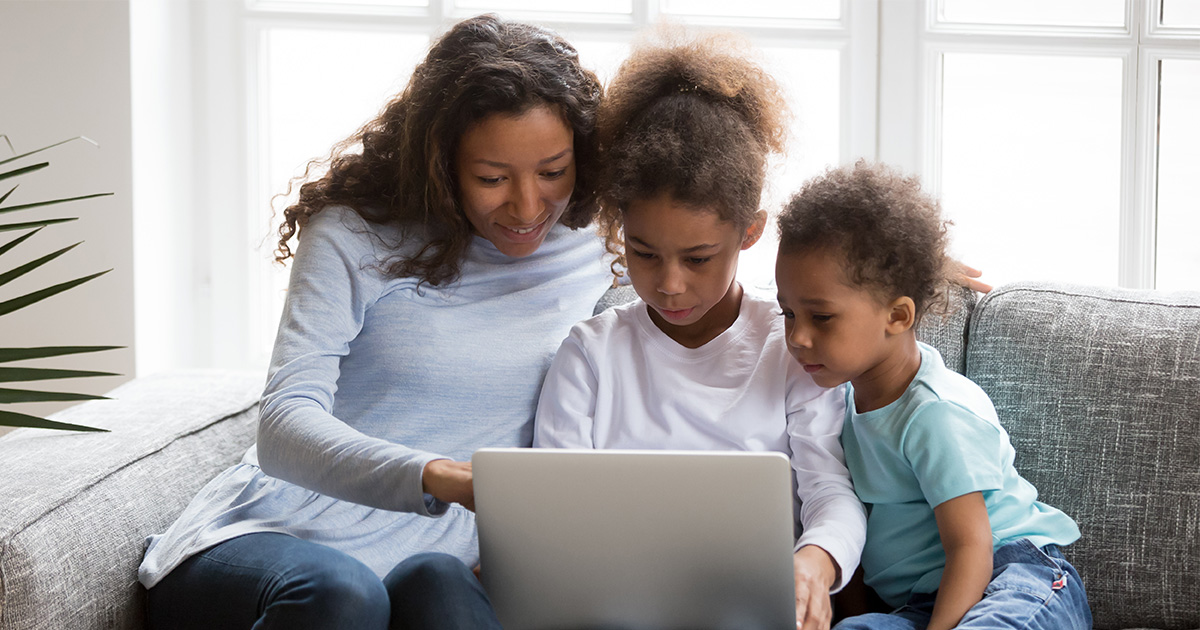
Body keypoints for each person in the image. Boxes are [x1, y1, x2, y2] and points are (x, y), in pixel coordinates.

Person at [137, 14, 614, 630]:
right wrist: (440, 477)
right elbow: (283, 426)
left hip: (436, 570)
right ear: (441, 164)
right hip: (278, 541)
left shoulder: (605, 247)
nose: (527, 207)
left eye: (553, 171)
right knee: (345, 594)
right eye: (492, 178)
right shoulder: (352, 233)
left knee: (429, 586)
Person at [533, 30, 867, 630]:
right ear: (617, 231)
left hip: (748, 608)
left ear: (750, 231)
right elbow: (553, 515)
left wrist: (813, 565)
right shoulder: (590, 353)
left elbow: (830, 493)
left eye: (697, 258)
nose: (668, 285)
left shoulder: (794, 349)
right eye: (642, 252)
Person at [774, 161, 1091, 630]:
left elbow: (971, 547)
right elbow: (856, 547)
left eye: (820, 318)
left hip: (1015, 575)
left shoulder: (935, 413)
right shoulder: (835, 407)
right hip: (923, 603)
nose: (798, 337)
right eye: (787, 313)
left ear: (898, 316)